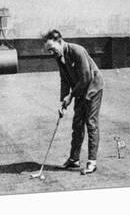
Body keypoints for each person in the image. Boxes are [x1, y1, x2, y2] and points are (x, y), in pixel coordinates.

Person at [42, 29, 104, 174]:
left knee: (91, 123)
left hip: (93, 87)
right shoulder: (58, 56)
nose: (51, 53)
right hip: (80, 88)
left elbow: (86, 77)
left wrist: (70, 97)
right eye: (48, 51)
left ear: (60, 42)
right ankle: (74, 159)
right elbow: (64, 79)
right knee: (77, 123)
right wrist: (63, 101)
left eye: (52, 49)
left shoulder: (77, 51)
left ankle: (92, 162)